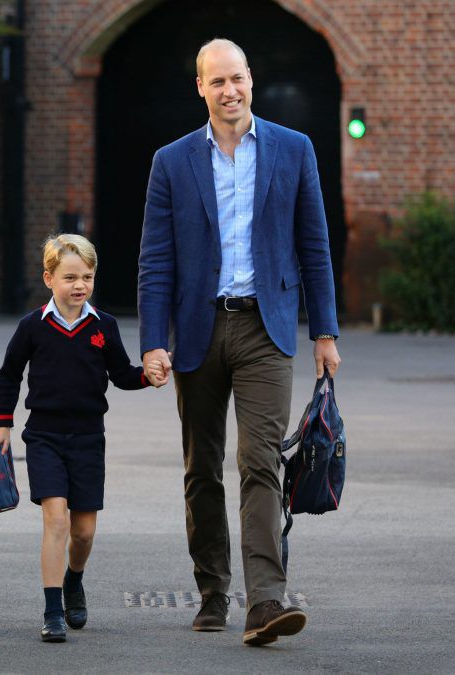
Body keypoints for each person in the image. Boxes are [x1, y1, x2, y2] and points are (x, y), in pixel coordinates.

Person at [138, 38, 341, 646]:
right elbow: (155, 261)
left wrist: (324, 331)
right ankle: (211, 589)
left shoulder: (293, 148)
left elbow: (315, 245)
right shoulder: (171, 162)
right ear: (200, 88)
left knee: (260, 462)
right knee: (202, 467)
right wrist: (153, 341)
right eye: (217, 81)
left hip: (266, 327)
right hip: (197, 330)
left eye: (238, 79)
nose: (230, 91)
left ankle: (265, 602)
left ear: (251, 80)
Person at [0, 234, 157, 643]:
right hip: (43, 436)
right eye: (70, 277)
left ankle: (74, 579)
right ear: (49, 278)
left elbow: (121, 374)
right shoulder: (32, 327)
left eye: (87, 277)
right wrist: (3, 422)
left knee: (83, 533)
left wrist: (146, 377)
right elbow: (9, 375)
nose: (79, 285)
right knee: (55, 519)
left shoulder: (104, 326)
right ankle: (51, 610)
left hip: (87, 439)